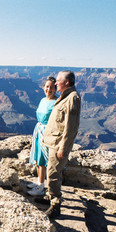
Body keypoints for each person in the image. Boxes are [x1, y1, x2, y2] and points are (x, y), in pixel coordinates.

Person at [41, 70, 81, 218]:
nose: (56, 83)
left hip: (58, 145)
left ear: (67, 82)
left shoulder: (72, 98)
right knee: (50, 172)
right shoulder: (65, 96)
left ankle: (55, 205)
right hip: (53, 142)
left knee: (52, 174)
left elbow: (71, 127)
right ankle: (50, 197)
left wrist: (63, 148)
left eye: (58, 81)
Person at [27, 76, 58, 196]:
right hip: (39, 131)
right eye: (47, 86)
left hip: (48, 133)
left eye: (51, 87)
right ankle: (39, 182)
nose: (49, 89)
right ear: (43, 87)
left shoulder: (57, 102)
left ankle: (41, 187)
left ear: (55, 89)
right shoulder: (43, 100)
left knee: (43, 160)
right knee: (38, 159)